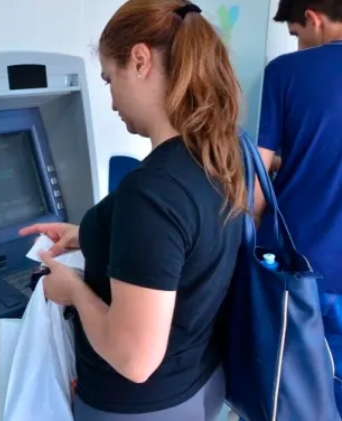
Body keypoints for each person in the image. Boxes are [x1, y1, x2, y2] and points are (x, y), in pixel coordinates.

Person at [18, 1, 245, 420]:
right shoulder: (216, 156)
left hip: (140, 408)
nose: (111, 102)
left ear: (140, 61)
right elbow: (181, 250)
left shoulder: (153, 191)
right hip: (198, 385)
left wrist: (73, 291)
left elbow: (134, 358)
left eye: (109, 79)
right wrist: (89, 233)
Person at [254, 0, 342, 413]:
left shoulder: (285, 72)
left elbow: (257, 180)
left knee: (286, 392)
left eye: (296, 36)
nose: (298, 46)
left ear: (313, 18)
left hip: (298, 269)